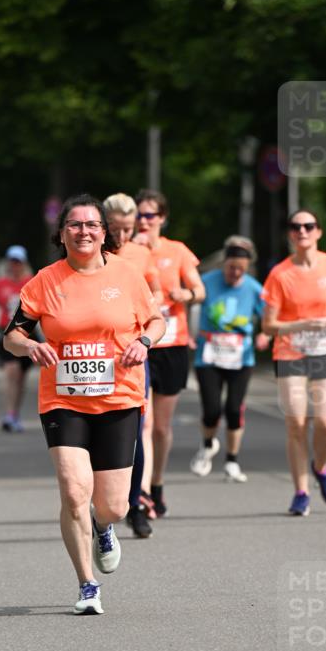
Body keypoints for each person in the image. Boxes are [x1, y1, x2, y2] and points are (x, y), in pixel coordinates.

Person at [3, 194, 165, 614]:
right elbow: (12, 335)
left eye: (92, 225)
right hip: (63, 399)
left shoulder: (127, 276)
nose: (84, 232)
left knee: (114, 504)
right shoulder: (44, 281)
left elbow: (157, 320)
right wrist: (31, 347)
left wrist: (145, 342)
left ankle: (103, 525)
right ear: (61, 234)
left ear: (104, 232)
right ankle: (87, 584)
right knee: (75, 491)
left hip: (118, 397)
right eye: (75, 225)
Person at [261, 209, 326, 516]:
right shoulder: (280, 274)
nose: (302, 231)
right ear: (290, 233)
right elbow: (268, 326)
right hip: (290, 352)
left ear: (318, 231)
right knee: (297, 423)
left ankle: (321, 467)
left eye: (308, 226)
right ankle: (301, 491)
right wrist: (299, 326)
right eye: (296, 227)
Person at [134, 188, 205, 516]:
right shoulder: (128, 252)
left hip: (173, 344)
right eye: (139, 214)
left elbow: (199, 290)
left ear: (162, 218)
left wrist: (184, 294)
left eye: (150, 215)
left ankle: (158, 482)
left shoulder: (176, 251)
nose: (143, 220)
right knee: (144, 425)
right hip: (140, 346)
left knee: (162, 427)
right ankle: (144, 490)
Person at [103, 193, 162, 538]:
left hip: (132, 354)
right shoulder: (90, 252)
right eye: (115, 228)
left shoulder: (141, 254)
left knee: (137, 429)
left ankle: (136, 503)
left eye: (128, 229)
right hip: (94, 356)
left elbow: (155, 300)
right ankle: (102, 504)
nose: (122, 237)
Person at [190, 236, 268, 482]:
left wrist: (265, 335)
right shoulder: (207, 282)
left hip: (240, 356)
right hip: (209, 354)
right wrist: (188, 333)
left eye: (240, 270)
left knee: (234, 409)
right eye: (231, 268)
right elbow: (186, 305)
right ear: (224, 264)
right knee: (212, 409)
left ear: (248, 268)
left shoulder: (255, 288)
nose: (235, 273)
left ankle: (232, 461)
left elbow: (268, 318)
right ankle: (207, 445)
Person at [0, 245, 34, 432]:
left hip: (27, 334)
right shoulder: (0, 283)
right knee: (12, 371)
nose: (15, 265)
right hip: (5, 332)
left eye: (18, 262)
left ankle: (15, 413)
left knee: (21, 378)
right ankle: (9, 414)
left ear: (24, 263)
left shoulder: (31, 282)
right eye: (12, 261)